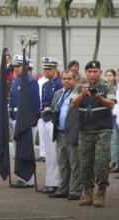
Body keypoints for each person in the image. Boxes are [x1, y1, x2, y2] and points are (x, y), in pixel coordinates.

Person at [71, 60, 116, 207]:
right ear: (86, 72)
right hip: (85, 130)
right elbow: (73, 104)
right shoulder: (79, 86)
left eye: (95, 71)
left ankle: (101, 192)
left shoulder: (107, 85)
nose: (92, 74)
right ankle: (88, 193)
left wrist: (99, 98)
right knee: (85, 163)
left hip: (103, 130)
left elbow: (111, 104)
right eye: (89, 71)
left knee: (101, 163)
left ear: (100, 72)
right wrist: (83, 94)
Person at [48, 70, 82, 200]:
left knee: (75, 164)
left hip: (72, 132)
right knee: (62, 163)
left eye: (69, 79)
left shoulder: (78, 94)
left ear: (75, 80)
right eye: (64, 78)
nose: (66, 81)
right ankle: (63, 189)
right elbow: (55, 107)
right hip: (59, 132)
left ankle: (75, 190)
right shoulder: (59, 92)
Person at [9, 55, 40, 188]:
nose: (16, 68)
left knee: (27, 150)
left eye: (19, 66)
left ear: (26, 66)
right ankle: (22, 177)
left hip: (26, 121)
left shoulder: (31, 81)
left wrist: (32, 121)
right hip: (15, 118)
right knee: (18, 150)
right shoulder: (16, 81)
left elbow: (35, 103)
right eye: (15, 66)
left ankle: (29, 179)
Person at [38, 57, 63, 194]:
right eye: (45, 69)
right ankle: (50, 182)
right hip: (45, 119)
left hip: (54, 120)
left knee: (54, 153)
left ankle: (55, 183)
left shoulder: (59, 83)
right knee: (48, 153)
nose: (46, 72)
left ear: (55, 70)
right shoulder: (46, 84)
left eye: (49, 69)